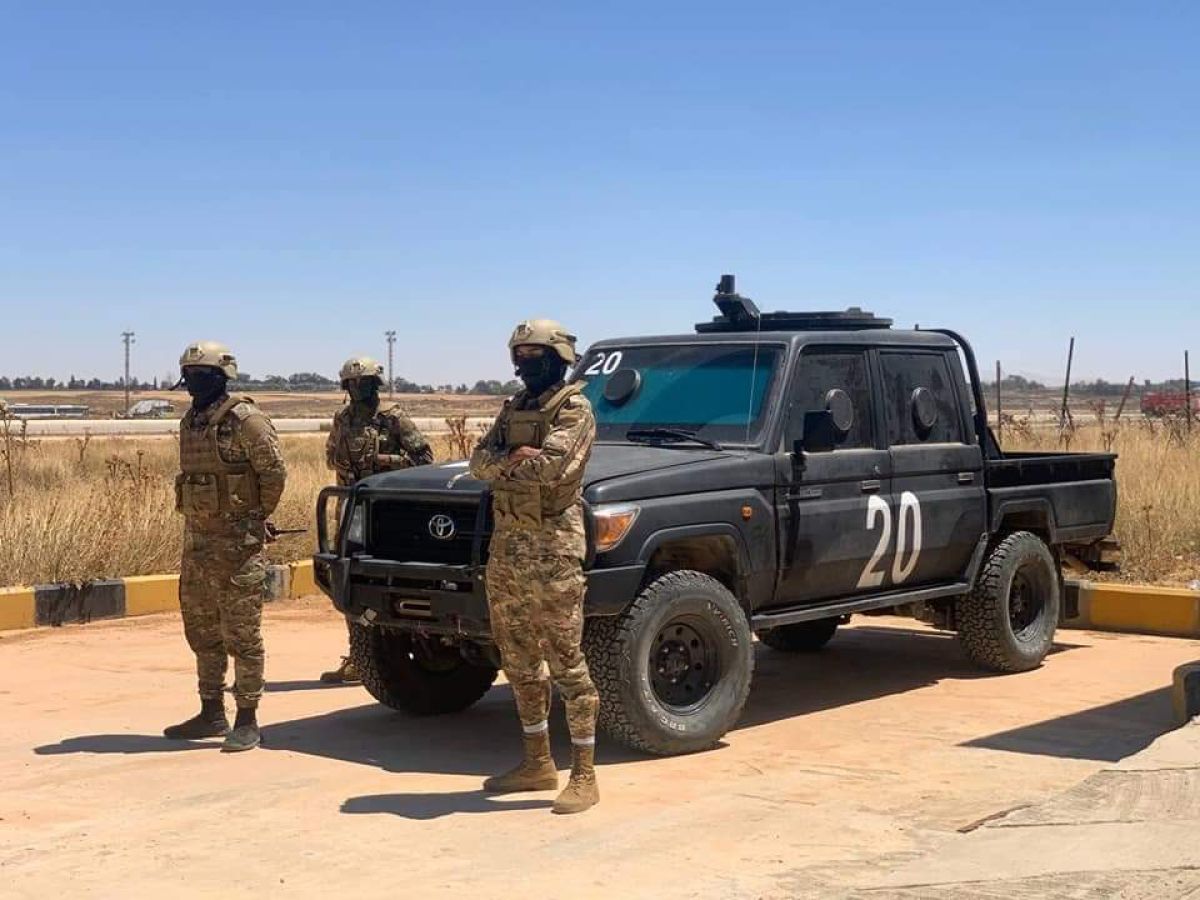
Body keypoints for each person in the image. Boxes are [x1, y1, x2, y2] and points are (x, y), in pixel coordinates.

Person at [469, 319, 600, 815]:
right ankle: (537, 763)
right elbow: (477, 462)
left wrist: (505, 461)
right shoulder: (513, 408)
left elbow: (551, 468)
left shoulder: (575, 409)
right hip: (508, 550)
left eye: (533, 355)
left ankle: (585, 775)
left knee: (567, 660)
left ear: (558, 357)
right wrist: (510, 456)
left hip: (553, 551)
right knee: (519, 660)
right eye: (518, 354)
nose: (523, 363)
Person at [164, 341, 287, 752]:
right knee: (201, 631)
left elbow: (273, 472)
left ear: (221, 377)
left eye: (201, 375)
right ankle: (211, 710)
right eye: (189, 375)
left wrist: (254, 518)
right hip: (197, 546)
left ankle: (248, 718)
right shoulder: (192, 421)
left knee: (242, 634)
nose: (192, 383)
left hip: (237, 547)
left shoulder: (245, 419)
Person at [321, 356, 433, 683]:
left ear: (376, 385)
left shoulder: (393, 418)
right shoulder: (342, 419)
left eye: (365, 383)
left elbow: (424, 459)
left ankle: (382, 653)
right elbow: (331, 456)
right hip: (352, 511)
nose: (359, 389)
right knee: (349, 584)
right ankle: (359, 653)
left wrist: (384, 462)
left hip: (388, 512)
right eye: (353, 384)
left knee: (384, 585)